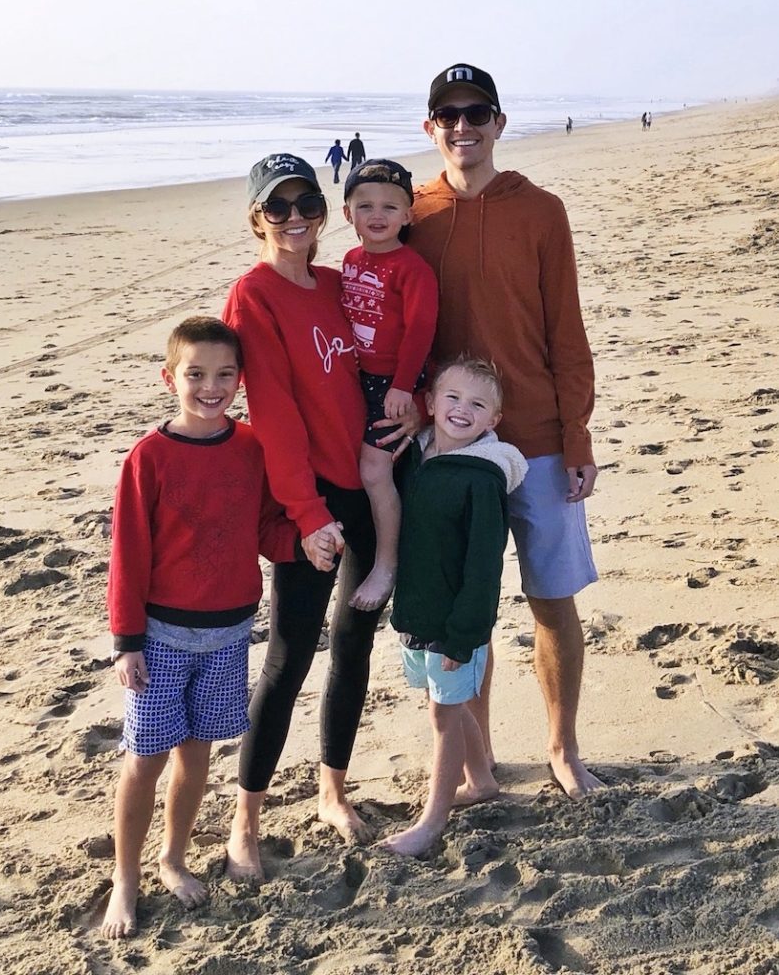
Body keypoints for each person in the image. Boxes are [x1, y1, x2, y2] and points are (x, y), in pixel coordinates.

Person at [220, 154, 418, 880]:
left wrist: (417, 406)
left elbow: (393, 361)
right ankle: (245, 820)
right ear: (257, 219)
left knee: (355, 642)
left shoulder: (341, 285)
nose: (296, 216)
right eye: (278, 207)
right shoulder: (254, 297)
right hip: (310, 503)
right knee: (290, 654)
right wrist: (306, 515)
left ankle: (332, 789)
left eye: (306, 200)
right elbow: (272, 415)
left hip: (372, 488)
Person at [407, 62, 601, 800]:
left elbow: (568, 332)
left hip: (542, 437)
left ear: (498, 123)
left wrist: (577, 435)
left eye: (476, 112)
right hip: (453, 451)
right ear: (431, 127)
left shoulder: (542, 211)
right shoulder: (413, 214)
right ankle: (474, 762)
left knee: (552, 598)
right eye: (448, 114)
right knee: (470, 610)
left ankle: (562, 746)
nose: (463, 126)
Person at [101, 316, 301, 939]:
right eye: (195, 375)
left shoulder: (250, 448)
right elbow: (128, 556)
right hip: (159, 638)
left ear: (240, 380)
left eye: (223, 375)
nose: (210, 387)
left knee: (197, 752)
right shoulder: (150, 456)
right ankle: (126, 878)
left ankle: (172, 858)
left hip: (229, 633)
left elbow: (266, 527)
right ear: (170, 379)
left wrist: (310, 542)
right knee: (146, 757)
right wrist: (127, 641)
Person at [381, 358, 527, 856]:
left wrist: (466, 634)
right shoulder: (417, 457)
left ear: (494, 420)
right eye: (453, 398)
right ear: (430, 404)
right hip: (418, 613)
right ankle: (481, 780)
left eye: (478, 404)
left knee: (443, 716)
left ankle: (431, 821)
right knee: (445, 702)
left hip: (455, 625)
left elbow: (485, 566)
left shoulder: (484, 477)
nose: (462, 410)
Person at [339, 159, 438, 610]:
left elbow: (420, 330)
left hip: (396, 380)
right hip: (359, 378)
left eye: (389, 206)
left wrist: (403, 387)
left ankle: (386, 564)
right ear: (348, 214)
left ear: (407, 215)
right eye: (365, 206)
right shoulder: (350, 260)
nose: (376, 215)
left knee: (374, 471)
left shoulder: (411, 267)